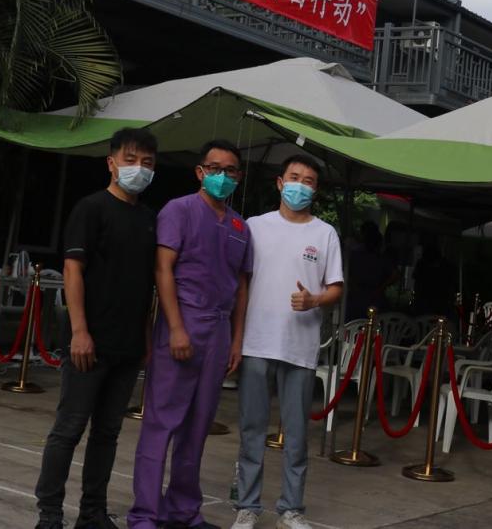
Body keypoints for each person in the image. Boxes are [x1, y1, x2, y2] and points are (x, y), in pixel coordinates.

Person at [34, 128, 159, 529]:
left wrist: (145, 339)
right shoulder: (91, 209)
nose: (138, 168)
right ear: (111, 162)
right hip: (89, 342)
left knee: (107, 433)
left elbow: (146, 285)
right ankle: (50, 513)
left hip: (128, 346)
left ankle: (93, 513)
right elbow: (73, 270)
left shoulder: (149, 220)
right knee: (69, 429)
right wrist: (79, 331)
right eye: (130, 159)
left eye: (147, 162)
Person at [128, 140, 252, 529]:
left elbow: (241, 286)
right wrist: (177, 327)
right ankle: (145, 514)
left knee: (198, 425)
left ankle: (182, 510)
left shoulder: (239, 226)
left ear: (238, 176)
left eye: (230, 170)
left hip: (219, 328)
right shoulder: (178, 210)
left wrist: (236, 340)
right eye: (214, 168)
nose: (222, 176)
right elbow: (163, 269)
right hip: (182, 319)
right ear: (200, 172)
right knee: (161, 422)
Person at [232, 154, 344, 529]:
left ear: (316, 190)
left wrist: (314, 300)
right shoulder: (254, 226)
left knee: (296, 435)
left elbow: (336, 288)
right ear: (280, 183)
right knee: (252, 429)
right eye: (294, 177)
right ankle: (247, 506)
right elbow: (241, 282)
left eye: (308, 181)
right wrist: (235, 335)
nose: (300, 186)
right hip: (256, 342)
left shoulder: (325, 233)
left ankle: (291, 509)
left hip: (300, 347)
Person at [344, 220, 398, 321]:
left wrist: (380, 288)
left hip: (365, 298)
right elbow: (394, 275)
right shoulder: (359, 254)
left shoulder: (358, 254)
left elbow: (394, 274)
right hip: (368, 297)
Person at [411, 238, 455, 317]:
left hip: (437, 302)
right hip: (428, 302)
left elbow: (416, 280)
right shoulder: (422, 264)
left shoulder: (445, 266)